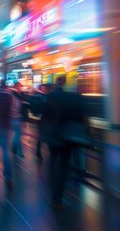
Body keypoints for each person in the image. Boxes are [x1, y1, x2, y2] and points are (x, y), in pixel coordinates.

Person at [40, 76, 88, 210]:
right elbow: (83, 117)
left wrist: (43, 133)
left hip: (54, 135)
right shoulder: (77, 98)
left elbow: (45, 116)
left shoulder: (52, 97)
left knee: (54, 159)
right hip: (68, 136)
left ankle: (54, 191)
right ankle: (58, 196)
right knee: (63, 165)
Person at [10, 82, 25, 158]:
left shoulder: (19, 95)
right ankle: (19, 152)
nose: (20, 88)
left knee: (16, 135)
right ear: (15, 87)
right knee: (18, 135)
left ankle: (14, 149)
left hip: (17, 118)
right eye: (18, 86)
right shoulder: (13, 96)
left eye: (20, 86)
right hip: (14, 118)